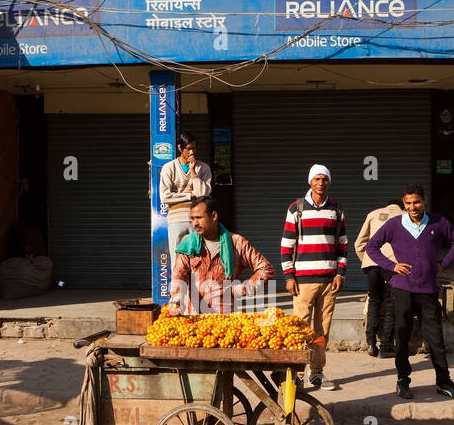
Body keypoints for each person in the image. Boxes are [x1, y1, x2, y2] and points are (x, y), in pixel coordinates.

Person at [365, 184, 454, 401]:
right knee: (401, 337)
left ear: (424, 200)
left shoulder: (438, 223)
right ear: (404, 203)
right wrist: (392, 266)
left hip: (428, 289)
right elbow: (371, 247)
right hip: (402, 288)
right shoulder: (394, 225)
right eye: (408, 203)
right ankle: (403, 380)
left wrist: (443, 263)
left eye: (416, 202)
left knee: (435, 337)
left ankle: (444, 381)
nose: (413, 207)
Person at [281, 164, 348, 390]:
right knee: (300, 327)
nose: (321, 183)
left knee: (322, 329)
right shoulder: (296, 208)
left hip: (329, 281)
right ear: (310, 181)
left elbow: (343, 246)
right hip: (302, 281)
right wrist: (289, 276)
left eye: (325, 179)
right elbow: (286, 245)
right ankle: (297, 374)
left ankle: (317, 372)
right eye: (317, 179)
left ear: (329, 182)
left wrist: (340, 273)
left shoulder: (336, 210)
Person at [169, 197, 274, 315]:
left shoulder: (236, 242)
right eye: (192, 219)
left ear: (214, 216)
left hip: (225, 318)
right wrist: (175, 300)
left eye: (199, 218)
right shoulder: (188, 243)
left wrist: (243, 288)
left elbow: (266, 268)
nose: (195, 223)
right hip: (194, 318)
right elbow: (179, 274)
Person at [355, 197, 403, 357]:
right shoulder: (405, 215)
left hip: (372, 263)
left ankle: (370, 343)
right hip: (393, 265)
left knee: (374, 301)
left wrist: (368, 261)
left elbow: (359, 244)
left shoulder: (373, 214)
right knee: (391, 304)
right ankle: (386, 346)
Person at [159, 131, 212, 256]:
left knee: (198, 259)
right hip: (176, 220)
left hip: (198, 219)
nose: (192, 152)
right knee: (177, 260)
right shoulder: (169, 168)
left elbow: (203, 195)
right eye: (188, 149)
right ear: (179, 147)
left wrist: (193, 173)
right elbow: (165, 196)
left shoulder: (203, 168)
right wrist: (190, 196)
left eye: (194, 148)